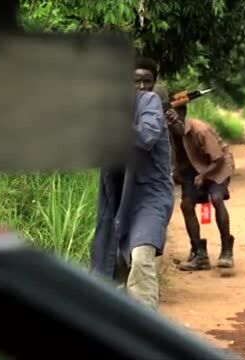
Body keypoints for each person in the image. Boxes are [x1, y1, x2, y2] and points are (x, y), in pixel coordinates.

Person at [90, 56, 174, 311]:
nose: (140, 87)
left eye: (145, 82)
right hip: (118, 200)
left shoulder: (149, 102)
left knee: (140, 257)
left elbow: (146, 137)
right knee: (110, 268)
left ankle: (148, 333)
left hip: (149, 197)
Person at [165, 103, 236, 271]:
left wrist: (204, 176)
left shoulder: (200, 130)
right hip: (192, 170)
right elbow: (176, 156)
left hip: (217, 165)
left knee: (217, 199)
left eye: (173, 119)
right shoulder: (169, 132)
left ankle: (226, 249)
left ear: (181, 116)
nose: (170, 123)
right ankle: (199, 254)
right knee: (186, 205)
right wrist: (177, 173)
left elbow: (218, 158)